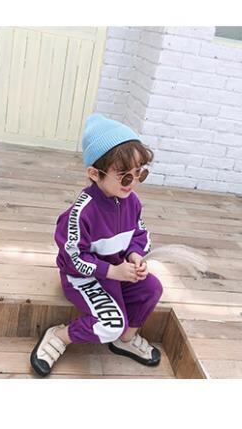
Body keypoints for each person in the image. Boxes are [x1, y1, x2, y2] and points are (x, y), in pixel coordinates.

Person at [31, 120, 163, 375]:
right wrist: (111, 271)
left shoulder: (132, 202)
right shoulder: (81, 213)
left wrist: (135, 255)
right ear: (94, 174)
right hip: (84, 277)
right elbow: (72, 256)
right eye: (124, 175)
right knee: (110, 324)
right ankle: (60, 336)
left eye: (139, 173)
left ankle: (125, 339)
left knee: (152, 288)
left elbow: (140, 232)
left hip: (117, 270)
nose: (133, 181)